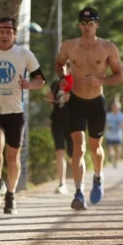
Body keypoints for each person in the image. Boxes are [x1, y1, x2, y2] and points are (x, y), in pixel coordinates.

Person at [54, 7, 123, 210]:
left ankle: (98, 177)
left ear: (97, 25)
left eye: (91, 23)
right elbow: (59, 64)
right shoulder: (69, 46)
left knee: (96, 148)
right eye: (83, 24)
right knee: (79, 148)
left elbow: (119, 76)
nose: (87, 27)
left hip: (96, 103)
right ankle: (78, 192)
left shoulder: (107, 48)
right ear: (79, 25)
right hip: (75, 102)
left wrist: (101, 80)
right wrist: (63, 78)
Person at [0, 16, 45, 214]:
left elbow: (40, 80)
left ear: (14, 34)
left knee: (13, 158)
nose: (4, 35)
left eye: (8, 32)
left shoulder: (24, 54)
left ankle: (11, 195)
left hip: (15, 111)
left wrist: (29, 85)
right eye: (1, 32)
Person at [46, 61, 73, 195]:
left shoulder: (77, 84)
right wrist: (51, 99)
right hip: (57, 121)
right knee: (59, 151)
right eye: (61, 67)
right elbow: (53, 102)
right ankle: (62, 183)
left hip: (73, 122)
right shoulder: (55, 85)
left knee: (74, 154)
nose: (63, 69)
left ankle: (78, 183)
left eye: (66, 66)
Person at [104, 98, 123, 168]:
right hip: (109, 136)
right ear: (112, 107)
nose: (115, 108)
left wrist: (122, 125)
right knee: (110, 151)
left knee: (119, 151)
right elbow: (104, 125)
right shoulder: (108, 115)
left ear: (119, 108)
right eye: (114, 106)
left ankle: (116, 162)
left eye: (116, 107)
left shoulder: (122, 115)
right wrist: (106, 127)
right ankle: (112, 157)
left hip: (118, 136)